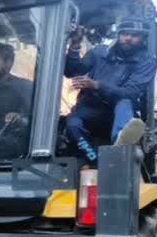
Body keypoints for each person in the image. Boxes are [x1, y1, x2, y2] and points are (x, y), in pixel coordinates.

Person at [63, 19, 155, 163]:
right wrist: (74, 45)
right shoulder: (98, 53)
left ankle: (121, 140)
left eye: (135, 35)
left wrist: (97, 85)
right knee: (72, 124)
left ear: (143, 38)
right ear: (118, 35)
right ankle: (93, 158)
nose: (128, 38)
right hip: (90, 109)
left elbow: (131, 92)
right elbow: (71, 71)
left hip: (117, 113)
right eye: (124, 34)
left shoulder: (146, 63)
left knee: (124, 101)